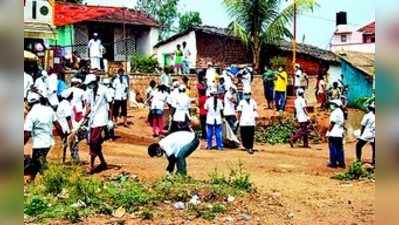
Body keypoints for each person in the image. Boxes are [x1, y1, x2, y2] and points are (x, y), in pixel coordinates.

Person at [24, 93, 63, 180]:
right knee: (37, 162)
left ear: (29, 103)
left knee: (39, 165)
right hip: (49, 142)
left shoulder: (31, 114)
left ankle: (54, 180)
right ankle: (31, 179)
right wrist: (63, 137)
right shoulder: (49, 110)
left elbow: (27, 133)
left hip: (39, 144)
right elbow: (58, 126)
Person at [84, 74, 113, 174]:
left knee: (93, 141)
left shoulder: (104, 90)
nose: (89, 86)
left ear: (95, 82)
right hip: (92, 119)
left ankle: (91, 165)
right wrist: (85, 116)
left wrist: (110, 119)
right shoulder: (89, 91)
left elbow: (110, 104)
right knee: (93, 142)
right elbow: (88, 104)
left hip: (101, 119)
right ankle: (103, 162)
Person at [57, 89, 76, 163]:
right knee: (72, 142)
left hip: (63, 126)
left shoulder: (62, 103)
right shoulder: (66, 104)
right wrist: (72, 129)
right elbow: (68, 117)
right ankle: (73, 158)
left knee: (65, 143)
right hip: (66, 127)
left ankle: (63, 160)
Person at [326, 99, 346, 168]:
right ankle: (341, 163)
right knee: (340, 148)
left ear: (335, 105)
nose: (331, 105)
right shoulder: (341, 112)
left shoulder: (334, 112)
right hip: (339, 132)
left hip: (334, 132)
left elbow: (332, 123)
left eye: (332, 104)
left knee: (332, 147)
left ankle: (333, 163)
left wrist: (328, 132)